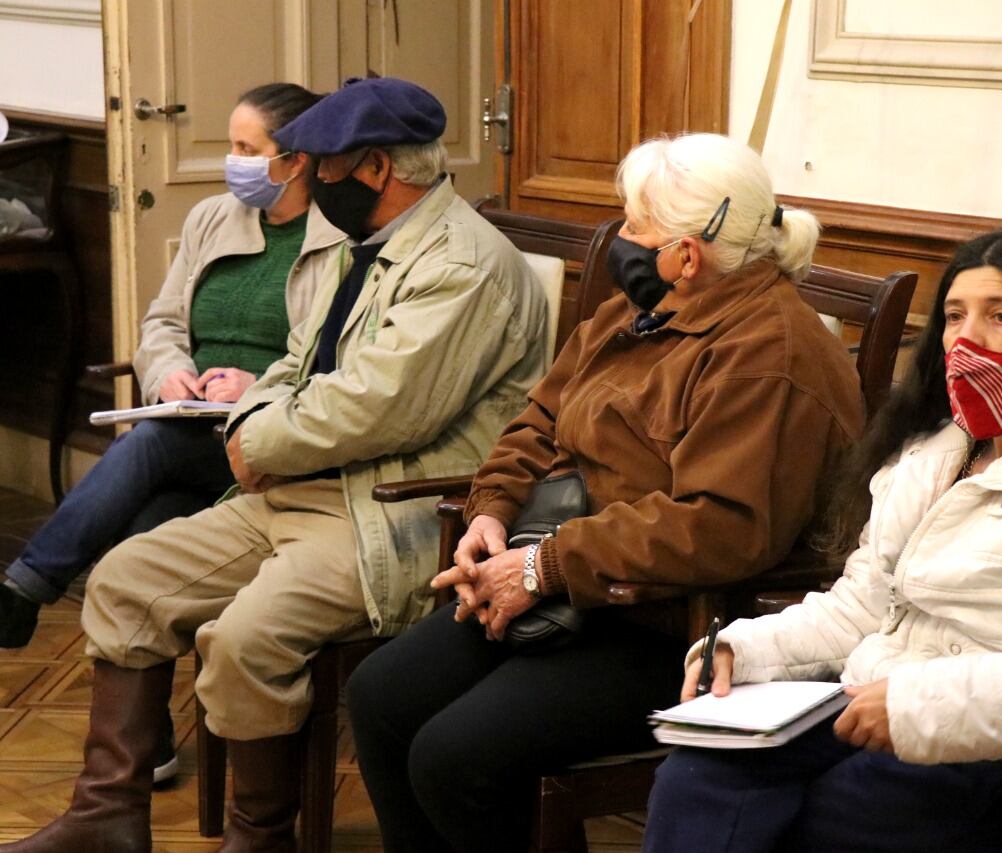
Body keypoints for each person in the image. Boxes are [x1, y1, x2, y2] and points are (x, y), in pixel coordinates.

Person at [0, 76, 548, 853]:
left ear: (375, 170)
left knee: (244, 638)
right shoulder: (361, 245)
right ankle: (106, 817)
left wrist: (250, 442)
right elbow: (296, 363)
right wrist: (258, 431)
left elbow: (374, 407)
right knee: (127, 582)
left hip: (386, 512)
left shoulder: (462, 265)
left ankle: (260, 840)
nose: (309, 178)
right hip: (298, 489)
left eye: (322, 164)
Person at [344, 133, 866, 853]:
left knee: (456, 754)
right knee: (380, 696)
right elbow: (539, 419)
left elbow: (720, 527)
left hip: (675, 628)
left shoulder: (770, 353)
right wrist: (490, 512)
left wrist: (544, 566)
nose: (618, 240)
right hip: (568, 586)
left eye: (633, 226)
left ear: (687, 253)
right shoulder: (636, 310)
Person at [642, 227, 1002, 853]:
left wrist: (914, 704)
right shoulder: (931, 452)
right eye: (954, 317)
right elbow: (863, 604)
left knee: (821, 821)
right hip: (869, 703)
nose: (968, 340)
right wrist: (740, 648)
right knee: (697, 777)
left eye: (1001, 317)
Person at [0, 82, 340, 668]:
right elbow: (161, 322)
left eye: (245, 147)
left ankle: (25, 587)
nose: (231, 161)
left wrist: (253, 389)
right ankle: (144, 740)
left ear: (295, 160)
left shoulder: (339, 241)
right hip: (191, 422)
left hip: (269, 434)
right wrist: (170, 373)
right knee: (145, 529)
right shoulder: (214, 217)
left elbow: (334, 361)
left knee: (150, 446)